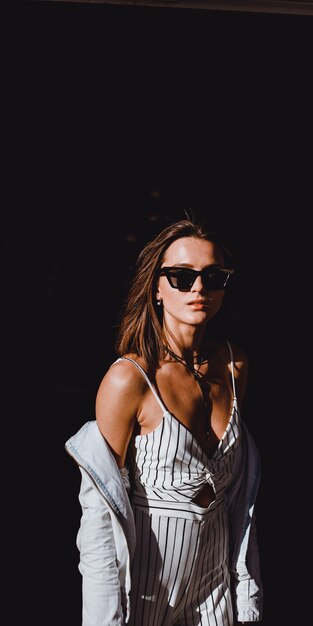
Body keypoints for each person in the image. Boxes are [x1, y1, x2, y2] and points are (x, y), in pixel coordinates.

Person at [65, 217, 263, 626]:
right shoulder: (129, 379)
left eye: (213, 276)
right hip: (149, 584)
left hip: (214, 575)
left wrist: (245, 585)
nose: (198, 289)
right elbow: (98, 514)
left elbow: (240, 494)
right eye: (181, 276)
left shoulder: (233, 365)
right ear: (156, 287)